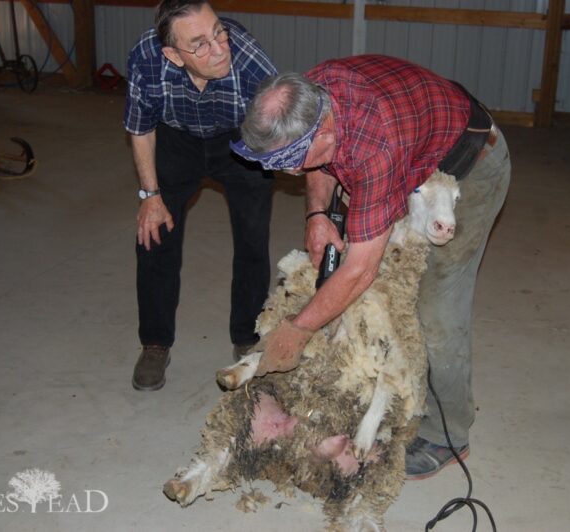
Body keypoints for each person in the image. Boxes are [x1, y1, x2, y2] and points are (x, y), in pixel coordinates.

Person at [230, 55, 511, 479]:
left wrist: (298, 329)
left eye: (286, 160)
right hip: (414, 137)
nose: (283, 172)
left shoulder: (374, 147)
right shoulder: (312, 94)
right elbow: (321, 160)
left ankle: (447, 433)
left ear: (323, 130)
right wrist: (317, 213)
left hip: (469, 165)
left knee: (436, 306)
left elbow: (362, 269)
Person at [124, 0, 277, 391]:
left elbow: (288, 130)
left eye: (218, 32)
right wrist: (150, 195)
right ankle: (156, 343)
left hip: (240, 139)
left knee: (252, 238)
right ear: (173, 55)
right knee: (155, 236)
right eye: (201, 44)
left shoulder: (251, 63)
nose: (220, 48)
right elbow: (141, 129)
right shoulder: (146, 59)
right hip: (176, 138)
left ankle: (248, 334)